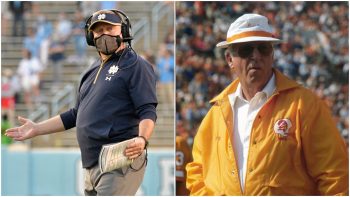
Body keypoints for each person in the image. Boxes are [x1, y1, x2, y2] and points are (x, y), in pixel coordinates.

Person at [186, 13, 348, 195]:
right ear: (229, 59)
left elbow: (335, 175)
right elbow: (198, 172)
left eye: (263, 48)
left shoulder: (304, 105)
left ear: (272, 54)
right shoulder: (217, 113)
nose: (255, 56)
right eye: (246, 50)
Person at [6, 9, 158, 196]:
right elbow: (75, 115)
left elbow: (147, 110)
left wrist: (142, 139)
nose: (104, 33)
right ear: (90, 36)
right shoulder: (93, 69)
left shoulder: (135, 65)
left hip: (119, 159)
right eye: (98, 30)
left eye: (109, 28)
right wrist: (37, 128)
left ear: (123, 31)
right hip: (91, 163)